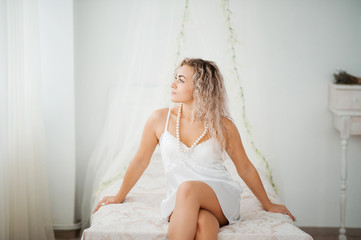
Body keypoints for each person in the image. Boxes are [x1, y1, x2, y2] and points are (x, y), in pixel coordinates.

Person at [93, 58, 295, 240]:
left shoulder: (223, 125)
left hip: (219, 196)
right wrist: (119, 196)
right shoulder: (159, 119)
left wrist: (268, 204)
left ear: (200, 87)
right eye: (175, 78)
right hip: (178, 198)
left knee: (188, 188)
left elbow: (245, 168)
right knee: (204, 224)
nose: (173, 84)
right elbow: (140, 161)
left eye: (181, 80)